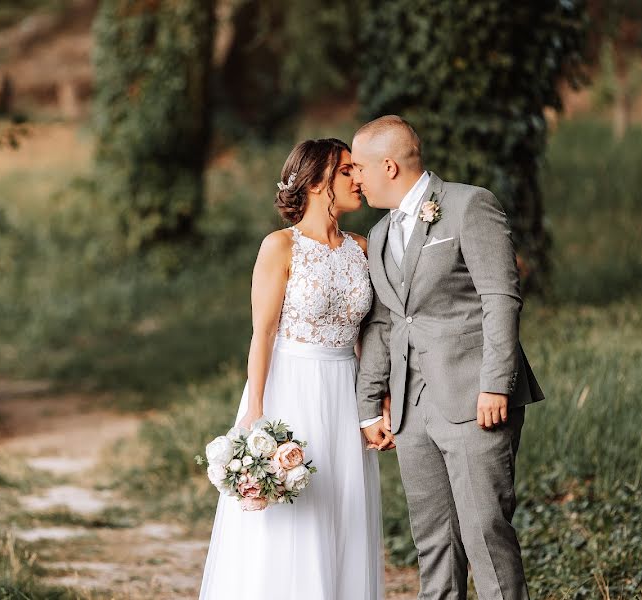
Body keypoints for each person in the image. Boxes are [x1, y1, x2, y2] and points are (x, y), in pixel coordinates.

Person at [352, 115, 545, 600]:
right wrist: (369, 405)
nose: (355, 177)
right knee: (433, 540)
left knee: (485, 533)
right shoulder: (377, 236)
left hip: (474, 397)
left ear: (389, 166)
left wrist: (496, 383)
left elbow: (500, 298)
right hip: (412, 410)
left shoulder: (468, 205)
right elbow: (383, 323)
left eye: (358, 167)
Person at [199, 138, 384, 600]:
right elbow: (262, 333)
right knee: (294, 517)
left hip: (345, 390)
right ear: (320, 180)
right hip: (291, 388)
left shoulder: (362, 248)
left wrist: (374, 403)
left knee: (341, 511)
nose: (358, 178)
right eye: (347, 171)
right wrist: (255, 409)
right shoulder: (281, 247)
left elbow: (370, 337)